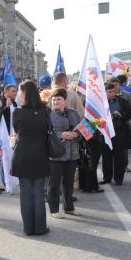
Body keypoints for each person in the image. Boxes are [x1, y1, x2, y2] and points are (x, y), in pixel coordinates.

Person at [11, 80, 50, 235]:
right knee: (39, 192)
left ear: (25, 93)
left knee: (26, 192)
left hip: (23, 155)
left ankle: (28, 228)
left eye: (20, 92)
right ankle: (40, 227)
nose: (18, 95)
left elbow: (16, 130)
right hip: (40, 154)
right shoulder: (45, 110)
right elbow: (48, 128)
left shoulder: (18, 112)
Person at [47, 88, 81, 218]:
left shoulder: (73, 113)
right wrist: (61, 134)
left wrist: (76, 133)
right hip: (56, 154)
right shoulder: (49, 114)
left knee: (68, 182)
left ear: (64, 100)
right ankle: (54, 210)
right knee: (54, 183)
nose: (55, 101)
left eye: (58, 99)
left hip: (72, 153)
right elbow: (46, 132)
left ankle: (68, 207)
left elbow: (80, 129)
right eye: (54, 99)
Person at [100, 82, 131, 186]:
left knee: (119, 156)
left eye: (114, 91)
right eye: (110, 92)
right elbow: (97, 117)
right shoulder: (101, 103)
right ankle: (107, 178)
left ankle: (118, 178)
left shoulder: (121, 101)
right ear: (105, 92)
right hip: (106, 132)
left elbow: (128, 113)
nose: (112, 93)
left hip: (118, 131)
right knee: (106, 156)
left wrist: (120, 115)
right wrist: (108, 117)